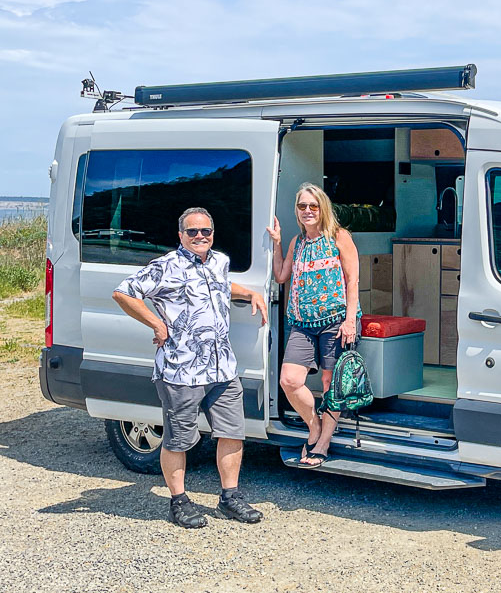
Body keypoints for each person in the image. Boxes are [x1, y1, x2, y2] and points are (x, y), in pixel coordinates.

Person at [112, 207, 268, 529]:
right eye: (193, 231)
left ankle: (230, 498)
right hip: (181, 370)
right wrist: (156, 323)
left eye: (206, 231)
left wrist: (250, 292)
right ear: (181, 235)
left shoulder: (219, 262)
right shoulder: (166, 266)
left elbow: (222, 285)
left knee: (232, 433)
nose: (200, 236)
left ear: (213, 233)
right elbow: (123, 293)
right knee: (178, 439)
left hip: (222, 367)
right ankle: (179, 502)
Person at [268, 183, 360, 468]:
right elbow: (281, 276)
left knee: (329, 384)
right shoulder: (298, 243)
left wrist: (349, 321)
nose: (307, 211)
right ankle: (315, 427)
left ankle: (323, 443)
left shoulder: (339, 237)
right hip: (302, 323)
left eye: (313, 206)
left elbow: (352, 281)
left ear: (323, 209)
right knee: (290, 380)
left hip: (335, 321)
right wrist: (278, 242)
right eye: (302, 206)